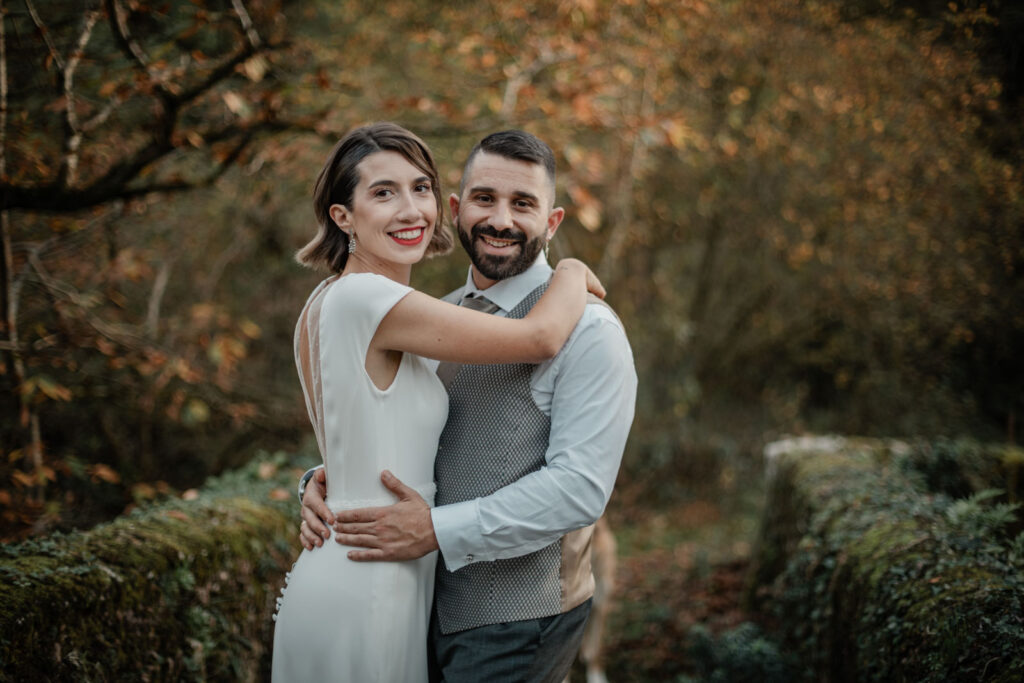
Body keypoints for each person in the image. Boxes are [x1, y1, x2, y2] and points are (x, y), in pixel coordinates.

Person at [298, 129, 637, 682]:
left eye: (522, 204)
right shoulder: (436, 316)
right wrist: (327, 476)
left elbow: (579, 490)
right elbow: (398, 431)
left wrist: (436, 529)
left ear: (552, 224)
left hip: (515, 621)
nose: (501, 219)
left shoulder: (590, 329)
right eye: (485, 199)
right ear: (456, 210)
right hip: (413, 606)